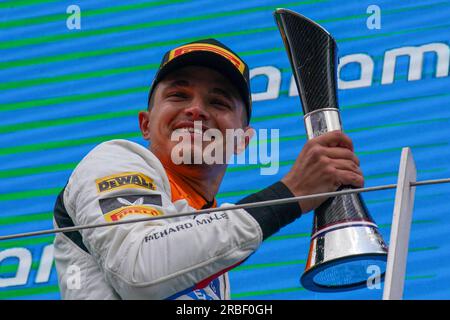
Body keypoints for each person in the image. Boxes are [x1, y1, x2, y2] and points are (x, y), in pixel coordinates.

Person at [53, 38, 364, 300]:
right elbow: (140, 273)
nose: (196, 110)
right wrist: (290, 194)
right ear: (145, 124)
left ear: (242, 141)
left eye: (218, 102)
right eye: (178, 95)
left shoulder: (210, 235)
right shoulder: (113, 159)